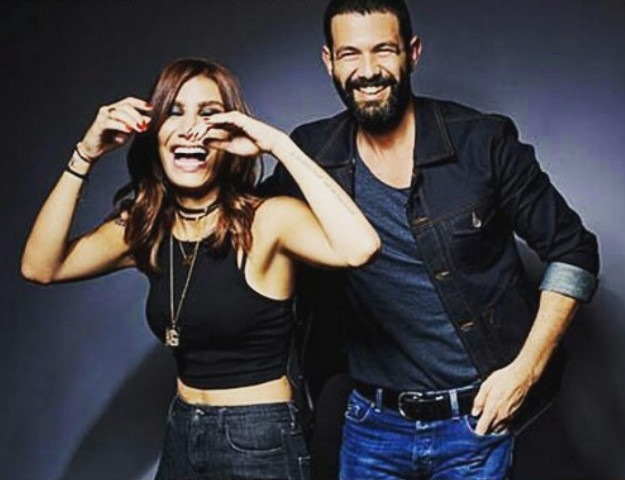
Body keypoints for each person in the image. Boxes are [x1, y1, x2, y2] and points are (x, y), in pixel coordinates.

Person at [261, 0, 600, 479]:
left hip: (475, 423)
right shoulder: (312, 154)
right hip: (371, 424)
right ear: (328, 61)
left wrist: (525, 372)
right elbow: (235, 223)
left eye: (383, 50)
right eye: (350, 54)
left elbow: (574, 252)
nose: (368, 70)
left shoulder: (482, 141)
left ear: (412, 52)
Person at [21, 57, 380, 480]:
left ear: (230, 132)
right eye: (174, 112)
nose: (191, 128)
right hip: (182, 429)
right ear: (154, 131)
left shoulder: (268, 220)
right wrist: (86, 153)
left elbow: (361, 248)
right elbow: (40, 267)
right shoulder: (146, 228)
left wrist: (278, 145)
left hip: (258, 439)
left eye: (208, 114)